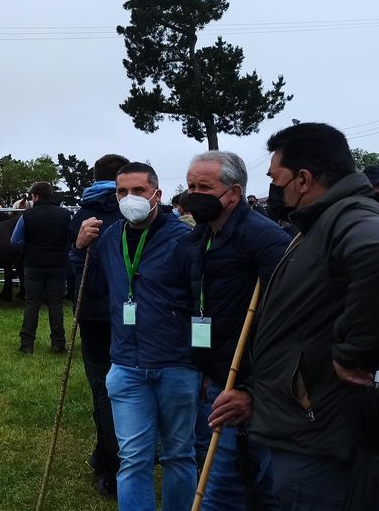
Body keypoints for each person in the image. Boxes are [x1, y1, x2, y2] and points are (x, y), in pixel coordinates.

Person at [212, 123, 379, 510]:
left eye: (276, 178)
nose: (273, 188)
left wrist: (352, 352)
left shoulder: (352, 219)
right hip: (310, 426)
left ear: (304, 178)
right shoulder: (320, 222)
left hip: (327, 434)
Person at [77, 161, 197, 510]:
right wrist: (78, 249)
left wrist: (200, 358)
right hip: (126, 365)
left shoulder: (184, 240)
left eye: (138, 191)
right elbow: (90, 290)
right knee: (133, 459)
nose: (130, 198)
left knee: (178, 455)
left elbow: (200, 303)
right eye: (122, 192)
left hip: (176, 365)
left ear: (156, 194)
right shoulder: (110, 237)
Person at [180, 151, 290, 511]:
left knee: (245, 492)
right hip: (214, 381)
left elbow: (289, 321)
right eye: (190, 186)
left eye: (204, 187)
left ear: (234, 192)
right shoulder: (198, 238)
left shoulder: (263, 238)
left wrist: (253, 389)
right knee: (230, 488)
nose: (193, 194)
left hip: (253, 388)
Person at [68, 153, 129, 498]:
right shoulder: (134, 210)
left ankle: (111, 466)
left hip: (93, 315)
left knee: (104, 391)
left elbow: (72, 268)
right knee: (129, 389)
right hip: (132, 315)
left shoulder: (81, 215)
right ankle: (109, 454)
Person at [10, 181, 71, 354]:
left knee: (32, 304)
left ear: (36, 196)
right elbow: (71, 238)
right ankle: (58, 343)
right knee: (56, 304)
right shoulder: (65, 215)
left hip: (33, 264)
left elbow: (15, 241)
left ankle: (27, 343)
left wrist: (29, 247)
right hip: (58, 265)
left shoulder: (27, 215)